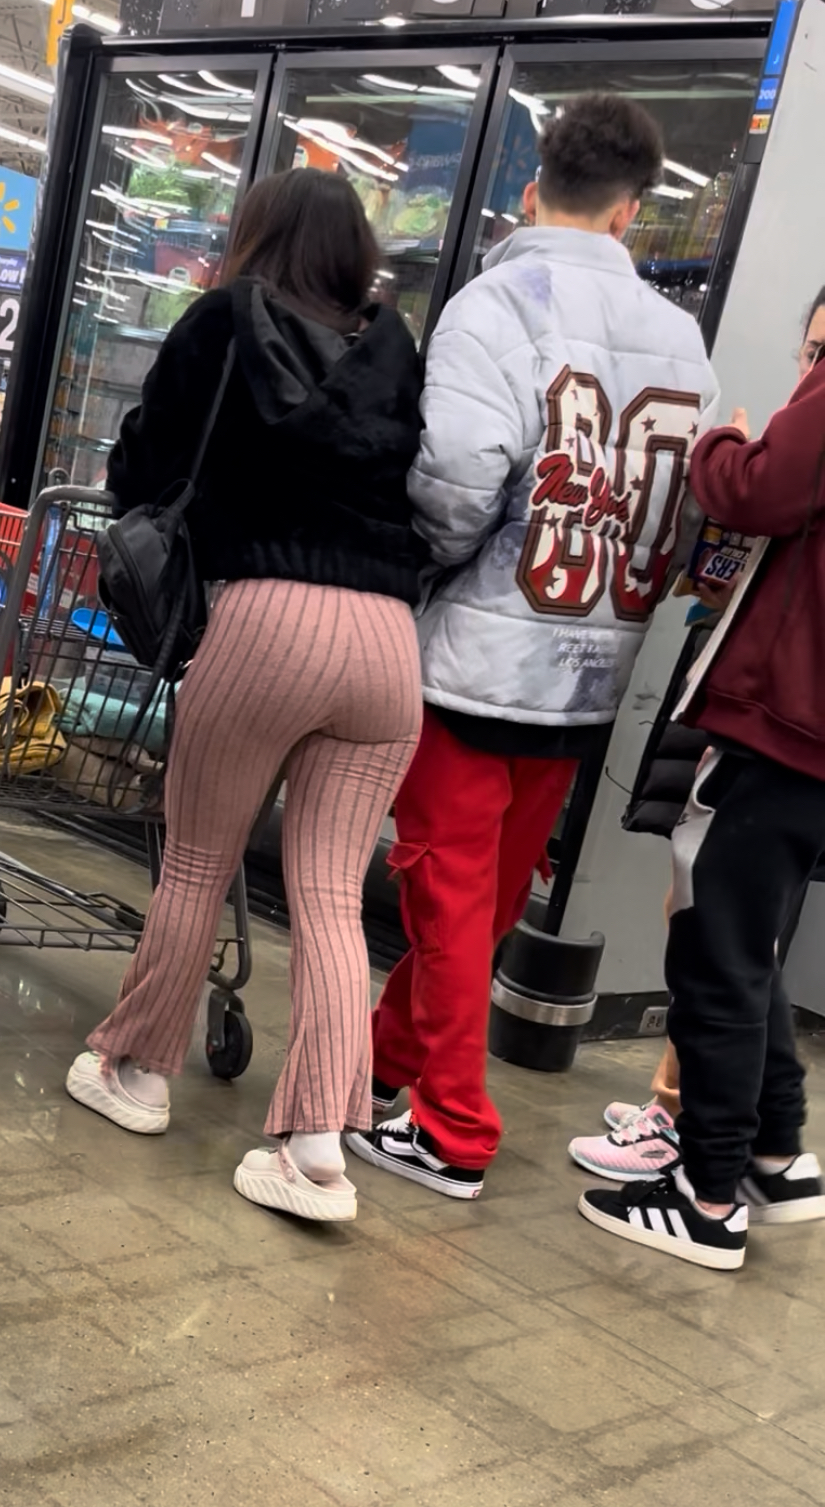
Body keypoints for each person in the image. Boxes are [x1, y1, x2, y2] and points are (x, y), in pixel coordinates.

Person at [345, 93, 718, 1204]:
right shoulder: (681, 338)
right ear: (632, 211)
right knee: (491, 895)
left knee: (446, 893)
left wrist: (436, 568)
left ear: (530, 186)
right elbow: (686, 507)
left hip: (477, 655)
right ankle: (383, 1065)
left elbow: (457, 480)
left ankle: (453, 1128)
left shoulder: (495, 304)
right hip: (593, 661)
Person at [65, 168, 424, 1224]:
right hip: (390, 643)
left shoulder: (223, 319)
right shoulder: (396, 346)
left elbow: (146, 465)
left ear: (258, 236)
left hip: (269, 618)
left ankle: (136, 1072)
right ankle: (317, 1155)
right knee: (331, 895)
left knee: (197, 862)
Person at [579, 326, 825, 1268]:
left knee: (717, 954)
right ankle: (773, 1156)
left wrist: (724, 444)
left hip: (780, 719)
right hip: (808, 737)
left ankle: (706, 1197)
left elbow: (762, 488)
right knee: (748, 950)